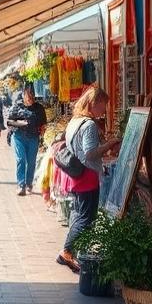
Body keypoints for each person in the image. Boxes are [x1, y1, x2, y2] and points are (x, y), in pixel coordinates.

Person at [56, 87, 119, 273]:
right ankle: (66, 251)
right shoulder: (89, 125)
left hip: (77, 176)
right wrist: (109, 145)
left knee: (78, 213)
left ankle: (72, 251)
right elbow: (90, 154)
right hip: (87, 175)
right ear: (93, 103)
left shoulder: (75, 121)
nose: (105, 110)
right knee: (86, 217)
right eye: (103, 105)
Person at [6, 84, 47, 196]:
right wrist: (21, 123)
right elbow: (9, 122)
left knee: (31, 162)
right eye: (27, 96)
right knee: (21, 159)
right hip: (18, 136)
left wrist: (43, 131)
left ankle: (29, 183)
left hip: (33, 137)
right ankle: (21, 185)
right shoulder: (17, 106)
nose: (29, 99)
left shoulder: (39, 108)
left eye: (31, 96)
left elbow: (43, 123)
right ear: (23, 95)